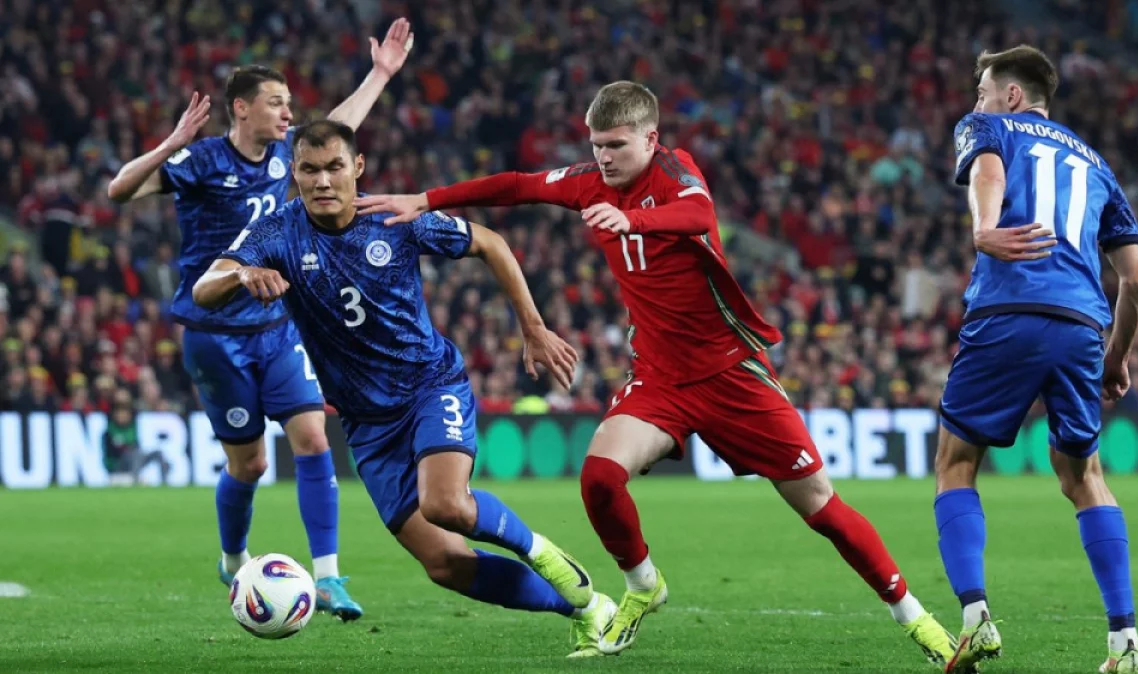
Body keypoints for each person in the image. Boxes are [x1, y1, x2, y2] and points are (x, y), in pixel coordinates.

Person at [354, 81, 960, 668]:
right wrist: (427, 199)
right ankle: (642, 584)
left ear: (650, 138)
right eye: (596, 145)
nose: (604, 157)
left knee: (821, 507)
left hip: (731, 375)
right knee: (599, 478)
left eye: (616, 145)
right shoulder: (590, 182)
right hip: (660, 379)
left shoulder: (675, 173)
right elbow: (518, 185)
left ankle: (915, 617)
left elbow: (698, 212)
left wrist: (634, 223)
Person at [192, 120, 618, 657]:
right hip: (367, 425)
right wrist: (239, 275)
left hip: (428, 388)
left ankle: (542, 553)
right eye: (309, 170)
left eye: (334, 167)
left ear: (358, 167)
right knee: (445, 564)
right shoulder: (276, 234)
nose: (322, 181)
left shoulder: (393, 217)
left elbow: (490, 242)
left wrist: (533, 328)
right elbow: (204, 287)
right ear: (294, 173)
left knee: (446, 505)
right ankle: (588, 608)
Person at [107, 18, 419, 620]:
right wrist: (172, 142)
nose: (288, 112)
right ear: (241, 108)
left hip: (278, 328)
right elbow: (120, 190)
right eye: (276, 102)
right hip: (215, 335)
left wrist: (380, 74)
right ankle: (232, 558)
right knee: (248, 464)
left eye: (288, 103)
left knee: (312, 438)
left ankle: (328, 578)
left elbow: (339, 129)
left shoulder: (287, 155)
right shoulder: (201, 160)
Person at [938, 45, 1138, 673]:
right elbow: (1136, 282)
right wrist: (1115, 357)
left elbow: (989, 172)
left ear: (1010, 95)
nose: (977, 102)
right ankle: (1125, 643)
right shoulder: (1098, 165)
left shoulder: (990, 127)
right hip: (1082, 325)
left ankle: (976, 619)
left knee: (955, 462)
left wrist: (984, 228)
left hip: (1008, 310)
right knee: (1085, 477)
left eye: (982, 91)